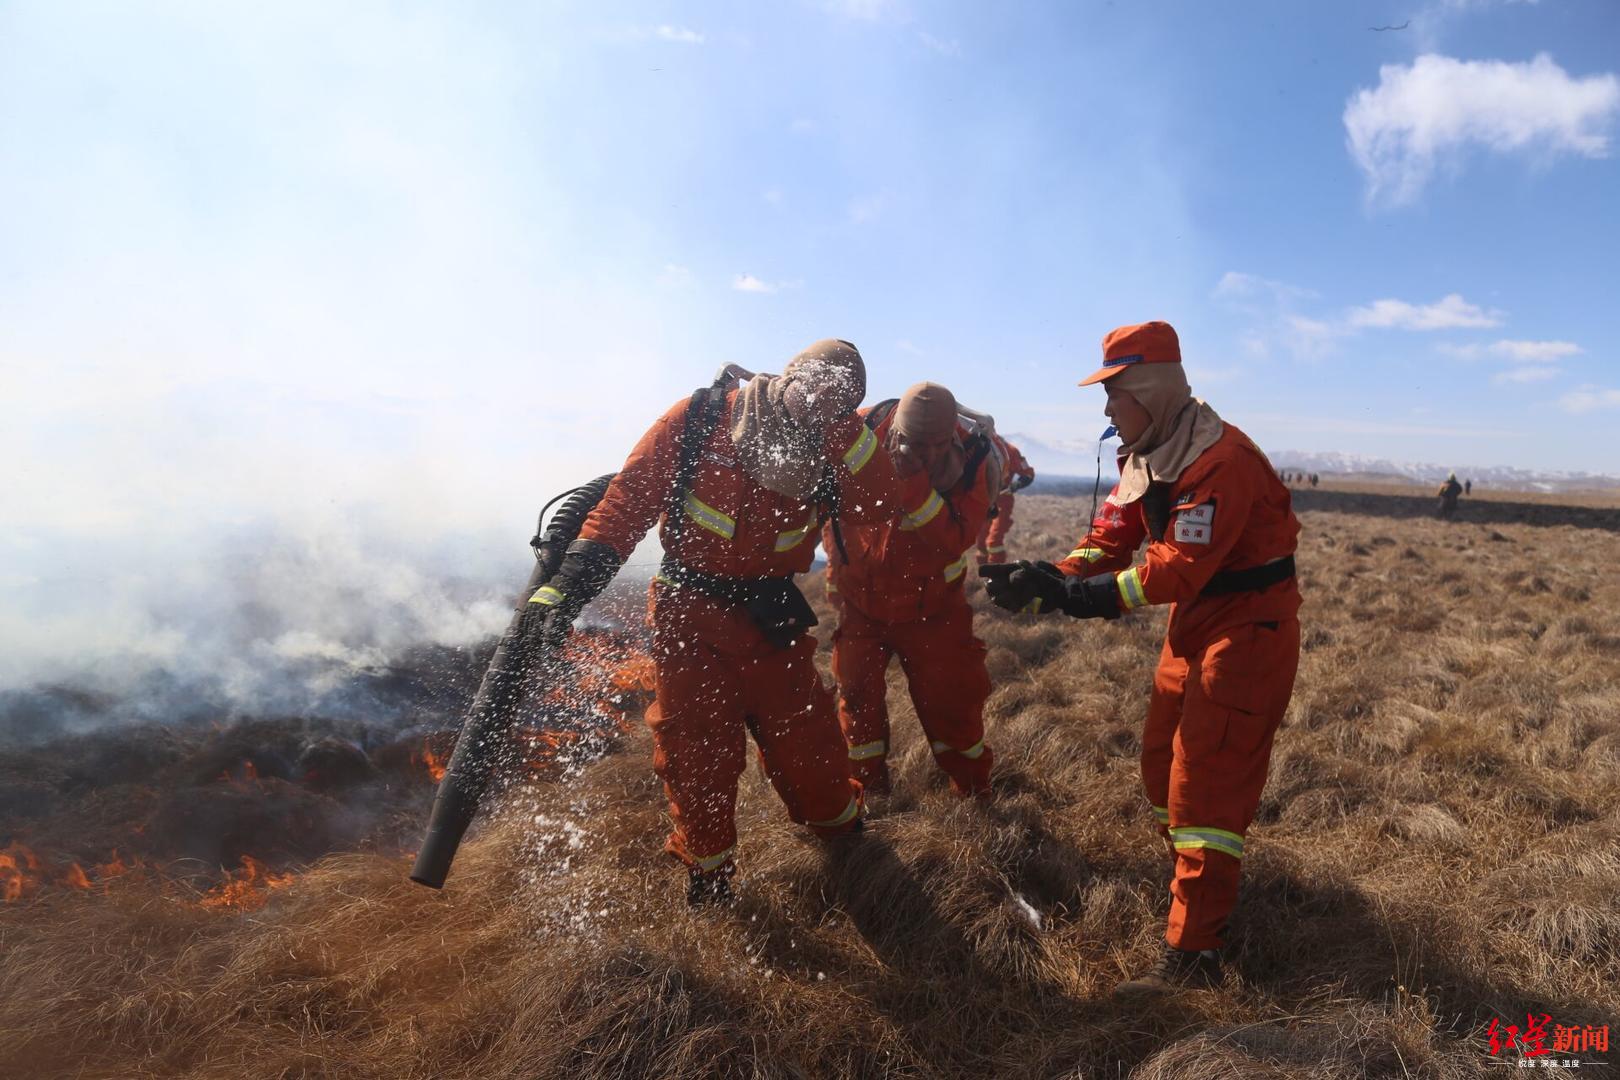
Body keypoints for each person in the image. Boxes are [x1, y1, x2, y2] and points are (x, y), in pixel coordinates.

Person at [534, 340, 926, 905]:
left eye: (835, 402)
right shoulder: (700, 416)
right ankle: (710, 882)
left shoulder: (833, 448)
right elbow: (628, 501)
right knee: (697, 760)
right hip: (686, 615)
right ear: (788, 375)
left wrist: (840, 429)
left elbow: (878, 505)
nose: (816, 404)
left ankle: (848, 850)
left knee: (812, 753)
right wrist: (568, 586)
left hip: (772, 623)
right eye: (810, 388)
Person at [982, 320, 1301, 998]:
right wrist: (1047, 578)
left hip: (1248, 632)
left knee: (1204, 792)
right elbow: (1113, 539)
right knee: (1161, 772)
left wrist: (1074, 598)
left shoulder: (1222, 461)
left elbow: (1174, 570)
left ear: (1151, 393)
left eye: (1114, 395)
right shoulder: (1148, 451)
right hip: (1196, 627)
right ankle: (1204, 886)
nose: (1104, 410)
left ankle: (1194, 957)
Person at [826, 382, 1001, 798]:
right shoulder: (862, 430)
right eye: (912, 443)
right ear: (896, 430)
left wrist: (915, 485)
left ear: (950, 436)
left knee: (954, 705)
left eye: (934, 446)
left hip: (935, 611)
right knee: (856, 702)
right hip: (861, 607)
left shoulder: (976, 457)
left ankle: (974, 796)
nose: (921, 454)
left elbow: (957, 539)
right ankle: (868, 797)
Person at [976, 435, 1035, 565]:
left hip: (1002, 500)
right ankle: (983, 573)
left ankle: (996, 576)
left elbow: (1028, 473)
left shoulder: (1011, 451)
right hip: (983, 501)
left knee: (994, 541)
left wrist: (1017, 485)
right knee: (980, 542)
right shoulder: (979, 446)